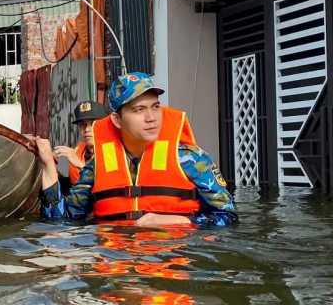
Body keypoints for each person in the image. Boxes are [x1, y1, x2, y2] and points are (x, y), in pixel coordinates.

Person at [36, 73, 238, 227]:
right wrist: (47, 165)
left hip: (174, 268)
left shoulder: (191, 159)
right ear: (116, 120)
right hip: (116, 268)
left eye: (155, 107)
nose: (151, 117)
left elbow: (228, 217)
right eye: (139, 110)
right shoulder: (98, 167)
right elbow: (61, 219)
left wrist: (179, 222)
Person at [54, 100, 110, 193]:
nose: (87, 129)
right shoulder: (79, 151)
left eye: (93, 124)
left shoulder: (113, 150)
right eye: (82, 125)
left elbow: (109, 183)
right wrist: (51, 168)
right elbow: (72, 187)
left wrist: (80, 165)